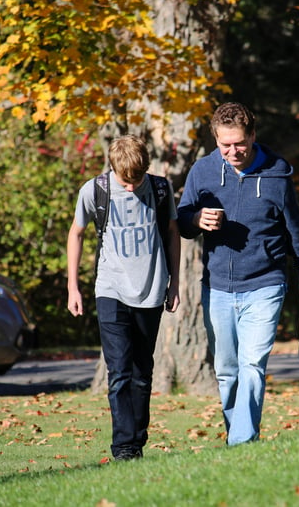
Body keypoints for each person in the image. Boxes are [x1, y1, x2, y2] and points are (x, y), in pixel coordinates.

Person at [177, 102, 299, 446]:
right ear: (215, 138)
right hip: (219, 287)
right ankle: (236, 435)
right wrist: (196, 220)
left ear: (253, 136)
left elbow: (295, 229)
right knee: (226, 371)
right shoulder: (203, 170)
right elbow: (181, 221)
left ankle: (242, 440)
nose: (232, 151)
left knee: (252, 363)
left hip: (266, 282)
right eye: (225, 145)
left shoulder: (277, 173)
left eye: (239, 143)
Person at [67, 135, 180, 461]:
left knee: (142, 373)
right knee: (118, 373)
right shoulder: (95, 190)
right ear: (113, 167)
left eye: (137, 179)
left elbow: (172, 233)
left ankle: (137, 442)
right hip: (111, 290)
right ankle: (123, 448)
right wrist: (73, 287)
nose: (132, 187)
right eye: (125, 180)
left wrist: (174, 285)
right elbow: (76, 233)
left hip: (151, 289)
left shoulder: (160, 189)